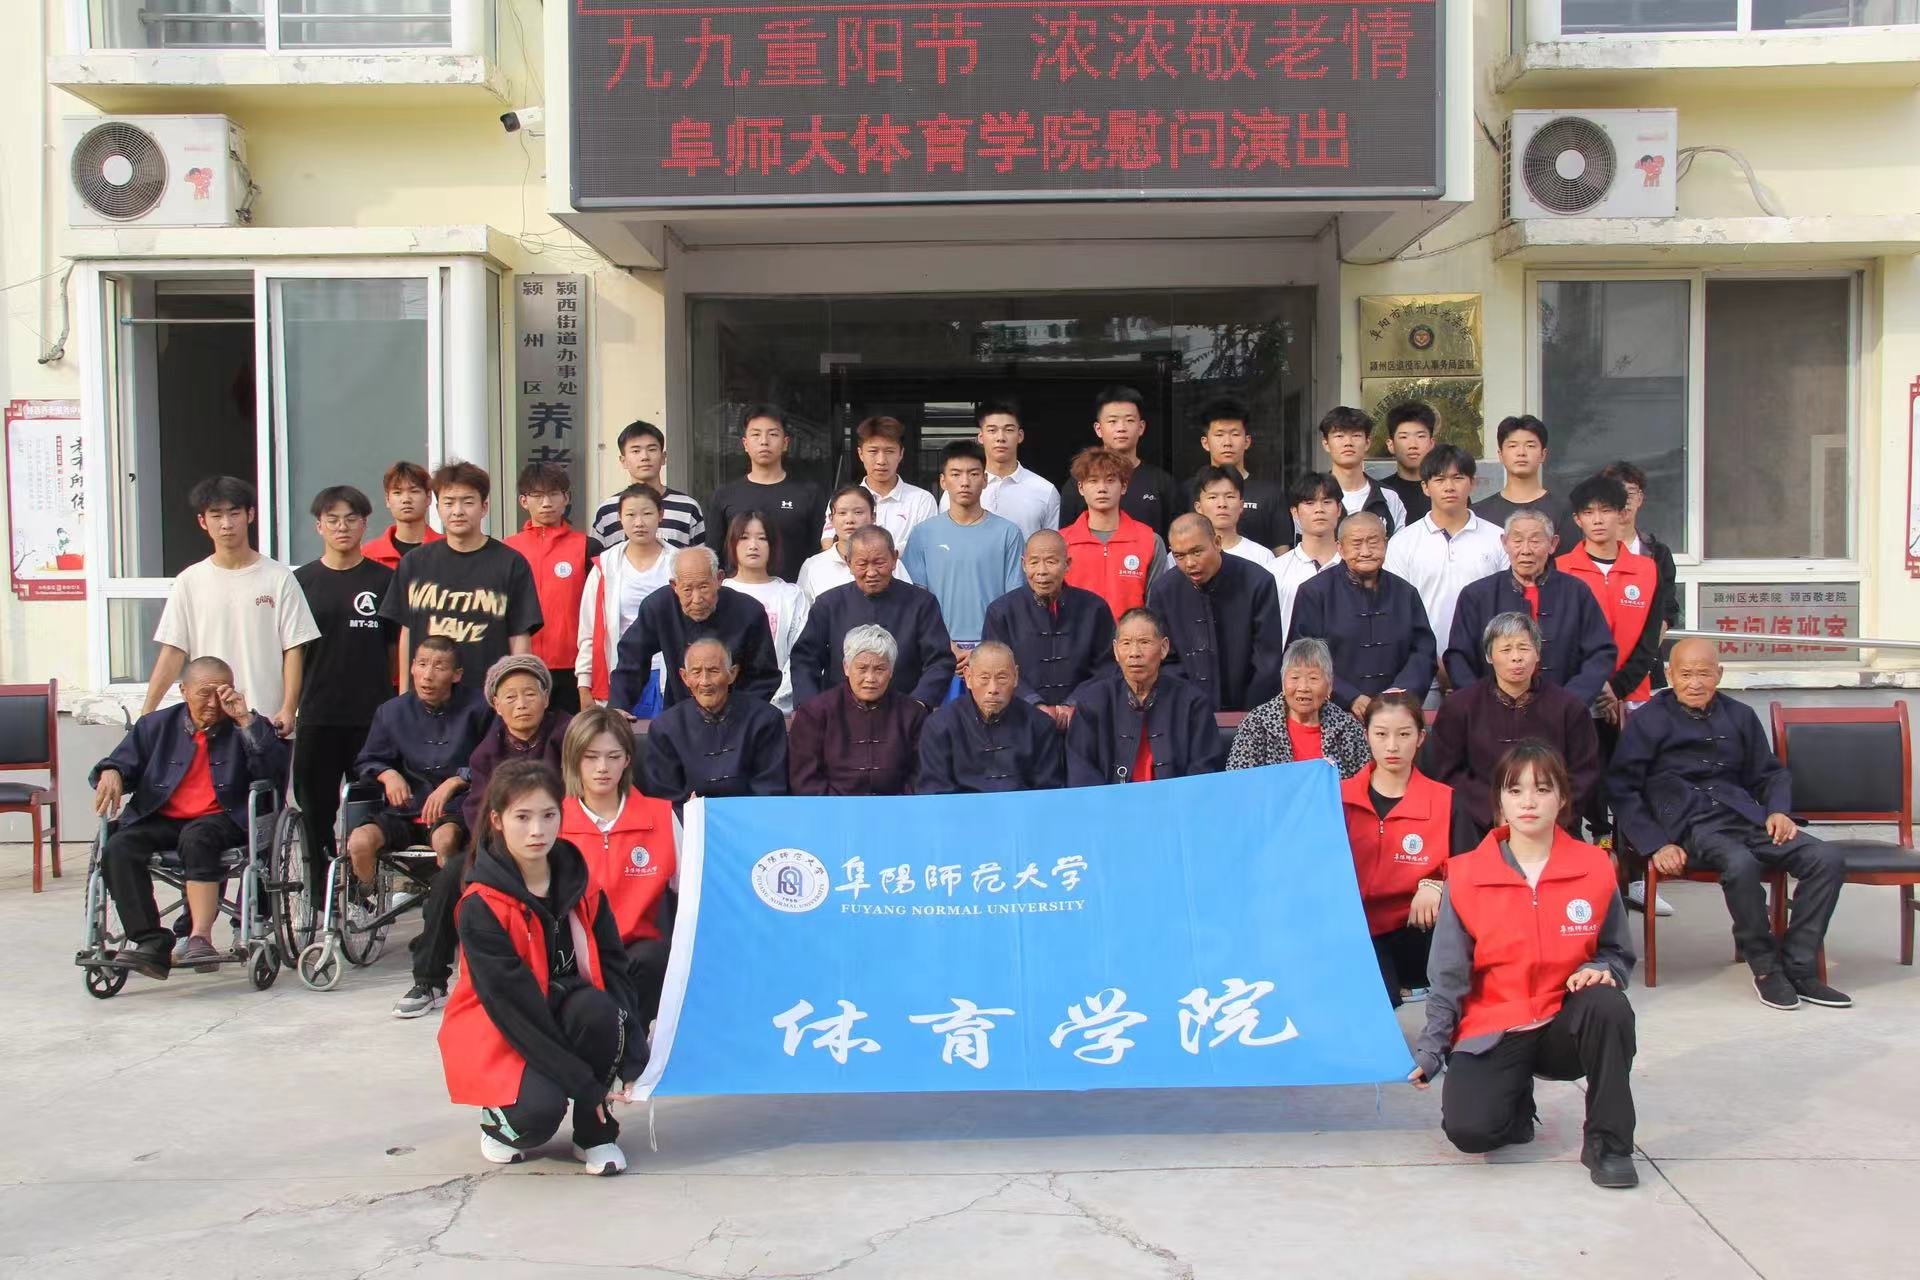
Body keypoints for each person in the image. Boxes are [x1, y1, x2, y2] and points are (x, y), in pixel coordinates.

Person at [1410, 743, 1639, 1191]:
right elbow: (1448, 976)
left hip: (1565, 1022)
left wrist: (1604, 969)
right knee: (1470, 1131)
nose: (1528, 802)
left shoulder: (1595, 866)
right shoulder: (1466, 874)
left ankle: (1609, 1145)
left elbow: (1617, 951)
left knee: (1608, 1006)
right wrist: (1431, 1049)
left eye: (1542, 789)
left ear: (1562, 798)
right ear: (1500, 801)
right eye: (1515, 791)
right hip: (1497, 1025)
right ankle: (1516, 1103)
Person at [1606, 637, 1852, 1011]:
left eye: (1704, 673)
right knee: (1740, 863)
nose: (1694, 683)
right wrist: (1655, 844)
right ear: (1669, 674)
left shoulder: (1739, 715)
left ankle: (1800, 967)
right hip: (1690, 824)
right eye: (1685, 674)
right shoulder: (1648, 721)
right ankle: (1766, 969)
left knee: (1826, 858)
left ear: (1719, 674)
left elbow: (1770, 774)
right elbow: (1622, 788)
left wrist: (1778, 811)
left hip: (1746, 817)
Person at [437, 760, 647, 1176]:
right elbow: (515, 1011)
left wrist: (634, 1055)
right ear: (496, 820)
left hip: (566, 1010)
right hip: (505, 1027)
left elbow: (613, 969)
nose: (537, 830)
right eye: (522, 817)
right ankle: (499, 1122)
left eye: (548, 815)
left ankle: (594, 1134)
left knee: (598, 1010)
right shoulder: (481, 905)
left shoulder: (581, 884)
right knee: (539, 1114)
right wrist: (584, 1085)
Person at [90, 657, 290, 979]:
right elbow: (121, 762)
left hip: (223, 817)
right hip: (163, 816)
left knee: (197, 837)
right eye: (204, 693)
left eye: (221, 693)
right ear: (184, 691)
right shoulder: (155, 726)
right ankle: (151, 941)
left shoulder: (246, 724)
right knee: (119, 846)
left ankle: (200, 937)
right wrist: (110, 771)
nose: (213, 703)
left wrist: (245, 721)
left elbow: (274, 772)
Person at [403, 655, 574, 1021]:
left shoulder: (568, 735)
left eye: (530, 694)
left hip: (559, 843)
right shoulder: (487, 752)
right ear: (496, 705)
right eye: (510, 697)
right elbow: (479, 811)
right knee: (450, 878)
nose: (521, 704)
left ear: (546, 697)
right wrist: (503, 849)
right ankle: (429, 980)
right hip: (501, 848)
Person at [145, 475, 319, 736]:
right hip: (208, 720)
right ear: (203, 521)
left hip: (265, 720)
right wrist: (146, 714)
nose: (226, 524)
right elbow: (173, 651)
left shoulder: (279, 577)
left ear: (250, 515)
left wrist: (288, 708)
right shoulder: (189, 581)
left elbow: (293, 648)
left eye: (234, 513)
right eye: (216, 515)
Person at [345, 637, 491, 944]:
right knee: (359, 842)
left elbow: (491, 760)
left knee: (445, 840)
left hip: (453, 810)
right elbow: (368, 759)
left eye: (439, 667)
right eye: (422, 664)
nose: (428, 675)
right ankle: (366, 899)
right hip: (403, 808)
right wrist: (388, 774)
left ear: (457, 674)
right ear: (411, 667)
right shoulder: (391, 711)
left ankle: (440, 919)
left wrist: (457, 780)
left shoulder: (480, 708)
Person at [1342, 691, 1479, 1006]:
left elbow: (1472, 869)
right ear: (1366, 735)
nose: (1392, 746)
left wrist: (1438, 884)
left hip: (1419, 929)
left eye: (1404, 735)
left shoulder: (1446, 801)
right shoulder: (1338, 798)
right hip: (1355, 929)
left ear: (1420, 738)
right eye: (1381, 734)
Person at [292, 485, 395, 895]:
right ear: (319, 526)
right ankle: (320, 894)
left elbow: (395, 650)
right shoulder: (301, 582)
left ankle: (362, 889)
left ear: (365, 524)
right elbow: (291, 653)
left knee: (367, 809)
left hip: (371, 717)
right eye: (333, 520)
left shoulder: (384, 579)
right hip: (317, 713)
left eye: (351, 519)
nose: (342, 527)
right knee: (315, 810)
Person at [1556, 474, 1664, 863]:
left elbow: (1650, 639)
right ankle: (1595, 857)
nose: (1598, 520)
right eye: (1589, 513)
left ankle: (1635, 870)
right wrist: (1593, 687)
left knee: (1632, 781)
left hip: (1631, 695)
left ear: (1622, 514)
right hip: (1580, 696)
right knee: (1586, 782)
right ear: (1577, 520)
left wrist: (1615, 688)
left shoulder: (1647, 569)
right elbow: (1561, 639)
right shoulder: (1561, 569)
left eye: (1606, 511)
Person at [1426, 612, 1602, 840]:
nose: (1516, 657)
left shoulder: (1569, 707)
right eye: (1506, 649)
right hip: (1478, 826)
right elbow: (1447, 772)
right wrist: (1495, 810)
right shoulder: (1460, 707)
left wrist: (1544, 813)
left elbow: (1584, 773)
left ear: (1537, 653)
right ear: (1489, 656)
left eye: (1524, 648)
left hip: (1552, 825)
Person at [380, 461, 542, 695]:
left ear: (484, 507)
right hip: (427, 698)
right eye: (448, 502)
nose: (457, 511)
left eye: (467, 502)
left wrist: (516, 693)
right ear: (437, 508)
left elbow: (519, 635)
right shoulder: (414, 563)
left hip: (488, 696)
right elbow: (407, 631)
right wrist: (406, 696)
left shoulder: (510, 563)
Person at [559, 709, 676, 1029]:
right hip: (574, 955)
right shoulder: (553, 822)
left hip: (639, 955)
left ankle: (634, 1042)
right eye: (590, 757)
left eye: (613, 756)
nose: (602, 767)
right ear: (573, 759)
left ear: (627, 760)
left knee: (655, 957)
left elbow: (693, 893)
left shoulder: (661, 816)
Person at [1445, 510, 1615, 706]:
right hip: (1492, 710)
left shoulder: (1576, 592)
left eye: (1535, 541)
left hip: (1565, 710)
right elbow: (1458, 657)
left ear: (1553, 544)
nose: (1525, 550)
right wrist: (1483, 704)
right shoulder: (1477, 595)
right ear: (1504, 543)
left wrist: (1570, 702)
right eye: (1517, 541)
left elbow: (1600, 653)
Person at [900, 440, 1026, 681]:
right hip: (937, 650)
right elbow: (916, 600)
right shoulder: (923, 533)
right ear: (943, 481)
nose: (965, 482)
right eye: (956, 474)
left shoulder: (1008, 533)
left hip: (994, 651)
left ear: (985, 479)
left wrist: (986, 647)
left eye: (973, 474)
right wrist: (945, 643)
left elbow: (1014, 600)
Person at [790, 527, 954, 707]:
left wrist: (919, 703)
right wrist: (810, 708)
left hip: (905, 711)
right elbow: (805, 659)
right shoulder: (829, 604)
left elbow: (939, 661)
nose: (871, 572)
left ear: (894, 559)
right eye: (862, 564)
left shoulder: (922, 603)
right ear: (849, 563)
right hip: (839, 712)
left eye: (879, 563)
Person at [1287, 512, 1436, 710]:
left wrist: (1399, 694)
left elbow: (1423, 653)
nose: (1365, 552)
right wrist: (1349, 697)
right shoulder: (1315, 592)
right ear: (1340, 548)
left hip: (1397, 710)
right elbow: (1303, 657)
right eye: (1356, 544)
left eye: (1373, 542)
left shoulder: (1405, 593)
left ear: (1386, 544)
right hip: (1332, 710)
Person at [609, 546, 780, 713]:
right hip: (679, 713)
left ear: (719, 579)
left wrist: (739, 716)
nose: (697, 599)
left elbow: (763, 676)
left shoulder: (749, 612)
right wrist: (619, 707)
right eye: (687, 590)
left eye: (704, 587)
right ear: (675, 586)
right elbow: (632, 659)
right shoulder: (659, 607)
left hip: (737, 713)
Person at [1065, 608, 1223, 785]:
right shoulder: (1093, 703)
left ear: (1164, 648)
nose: (1135, 653)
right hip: (1111, 802)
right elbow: (1082, 773)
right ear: (1115, 651)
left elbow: (1204, 771)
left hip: (1177, 801)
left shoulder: (1193, 704)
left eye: (1144, 642)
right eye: (1126, 643)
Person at [1383, 444, 1509, 662]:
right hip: (1421, 664)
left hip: (1485, 664)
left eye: (1458, 478)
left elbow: (1507, 606)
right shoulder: (1402, 543)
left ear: (1472, 483)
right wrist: (1427, 659)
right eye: (1439, 479)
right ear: (1425, 487)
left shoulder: (1499, 539)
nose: (1449, 487)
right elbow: (1396, 611)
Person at [1150, 513, 1285, 714]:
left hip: (1250, 710)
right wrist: (1190, 708)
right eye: (1179, 556)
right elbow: (1165, 660)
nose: (1189, 563)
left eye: (1197, 552)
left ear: (1217, 543)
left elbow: (1267, 661)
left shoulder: (1257, 582)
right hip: (1186, 711)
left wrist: (1251, 716)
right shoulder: (1164, 590)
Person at [980, 529, 1115, 727]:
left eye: (1051, 562)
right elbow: (994, 669)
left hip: (1082, 720)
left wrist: (1074, 704)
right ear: (1024, 564)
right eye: (1034, 562)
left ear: (1067, 564)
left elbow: (1107, 667)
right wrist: (1034, 704)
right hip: (1019, 721)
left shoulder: (1094, 608)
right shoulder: (1001, 611)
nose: (1042, 571)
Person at [787, 624, 930, 796]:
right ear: (846, 667)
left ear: (891, 671)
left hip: (899, 808)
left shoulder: (913, 714)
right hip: (831, 809)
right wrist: (840, 807)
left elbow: (922, 775)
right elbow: (805, 779)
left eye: (880, 669)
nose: (870, 678)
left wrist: (896, 805)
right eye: (862, 668)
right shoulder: (815, 713)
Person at [645, 638, 790, 804]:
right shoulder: (665, 728)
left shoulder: (765, 720)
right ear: (685, 677)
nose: (705, 681)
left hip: (750, 817)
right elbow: (665, 798)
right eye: (696, 672)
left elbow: (770, 791)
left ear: (732, 674)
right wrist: (692, 814)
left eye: (713, 671)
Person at [916, 641, 1067, 793]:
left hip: (1024, 807)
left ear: (1015, 676)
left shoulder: (1040, 725)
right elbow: (936, 793)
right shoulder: (940, 726)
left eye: (1002, 678)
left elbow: (1048, 793)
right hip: (961, 808)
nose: (993, 689)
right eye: (984, 678)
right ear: (968, 677)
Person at [576, 484, 673, 713]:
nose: (639, 522)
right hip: (620, 672)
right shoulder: (605, 566)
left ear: (660, 515)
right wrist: (584, 684)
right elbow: (588, 631)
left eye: (647, 513)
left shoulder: (678, 563)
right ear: (620, 518)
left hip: (668, 673)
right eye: (630, 515)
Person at [505, 462, 591, 714]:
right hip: (521, 664)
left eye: (554, 494)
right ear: (523, 501)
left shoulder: (588, 547)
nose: (546, 503)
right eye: (537, 495)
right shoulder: (507, 549)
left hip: (573, 667)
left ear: (566, 498)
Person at [706, 404, 825, 581]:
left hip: (795, 591)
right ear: (745, 444)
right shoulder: (724, 495)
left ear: (785, 443)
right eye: (756, 434)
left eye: (773, 434)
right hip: (738, 593)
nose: (764, 441)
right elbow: (714, 555)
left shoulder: (809, 493)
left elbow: (819, 552)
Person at [1224, 638, 1370, 777]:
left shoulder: (1347, 728)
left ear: (1330, 685)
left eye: (1313, 678)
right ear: (1283, 683)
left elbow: (1364, 783)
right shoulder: (1256, 724)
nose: (1303, 687)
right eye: (1295, 678)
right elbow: (1239, 782)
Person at [1598, 460, 1682, 691]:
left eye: (1630, 492)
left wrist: (1639, 661)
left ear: (1640, 499)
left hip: (1645, 672)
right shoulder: (1584, 554)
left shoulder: (1657, 554)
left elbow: (1667, 610)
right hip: (1596, 672)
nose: (1623, 499)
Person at [1057, 386, 1179, 536]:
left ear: (1141, 427)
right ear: (1098, 429)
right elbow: (1066, 538)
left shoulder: (1162, 483)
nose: (1121, 428)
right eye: (1112, 421)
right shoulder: (1080, 482)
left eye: (1129, 420)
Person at [1061, 446, 1165, 621]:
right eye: (1093, 481)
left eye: (1110, 480)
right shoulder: (1062, 542)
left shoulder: (1150, 541)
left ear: (1123, 486)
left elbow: (1156, 606)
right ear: (1081, 488)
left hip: (1133, 637)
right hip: (1077, 636)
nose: (1102, 488)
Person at [722, 513, 810, 714]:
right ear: (732, 543)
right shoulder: (719, 593)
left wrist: (775, 699)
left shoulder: (791, 596)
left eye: (762, 538)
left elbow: (801, 654)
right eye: (744, 537)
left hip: (779, 708)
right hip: (725, 707)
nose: (753, 545)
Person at [1182, 397, 1288, 551]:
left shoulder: (1270, 494)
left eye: (1235, 434)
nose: (1227, 442)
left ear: (1247, 441)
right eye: (1219, 435)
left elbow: (1281, 553)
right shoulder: (1188, 490)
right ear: (1205, 443)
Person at [588, 420, 704, 556]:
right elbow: (598, 560)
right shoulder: (607, 510)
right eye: (636, 451)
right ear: (623, 461)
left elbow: (699, 560)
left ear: (663, 457)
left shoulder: (688, 507)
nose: (644, 457)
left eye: (652, 449)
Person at [820, 414, 937, 549]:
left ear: (901, 454)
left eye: (889, 451)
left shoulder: (922, 500)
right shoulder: (842, 500)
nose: (881, 461)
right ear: (860, 454)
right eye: (873, 451)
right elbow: (828, 542)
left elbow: (925, 547)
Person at [797, 484, 917, 601]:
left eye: (858, 512)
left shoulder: (890, 563)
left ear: (873, 517)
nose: (849, 520)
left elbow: (908, 603)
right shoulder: (813, 566)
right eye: (842, 513)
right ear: (831, 519)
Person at [965, 398, 1060, 538]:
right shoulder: (959, 489)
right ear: (981, 437)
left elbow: (1053, 546)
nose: (1000, 438)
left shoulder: (1045, 491)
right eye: (992, 430)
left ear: (1020, 436)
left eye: (1009, 430)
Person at [1471, 415, 1576, 539]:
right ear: (1500, 455)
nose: (1521, 453)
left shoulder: (1563, 509)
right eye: (1513, 446)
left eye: (1530, 446)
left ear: (1543, 454)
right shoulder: (1479, 513)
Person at [1271, 471, 1342, 637]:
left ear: (1339, 509)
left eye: (1327, 502)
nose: (1319, 509)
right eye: (1310, 503)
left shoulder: (1354, 567)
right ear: (1294, 512)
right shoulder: (1275, 571)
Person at [1316, 406, 1405, 535]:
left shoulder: (1388, 497)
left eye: (1356, 435)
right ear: (1326, 444)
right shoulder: (1312, 497)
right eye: (1339, 436)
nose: (1348, 442)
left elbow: (1399, 544)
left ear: (1367, 443)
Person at [1190, 465, 1276, 570]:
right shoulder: (1184, 555)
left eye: (1230, 496)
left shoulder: (1262, 556)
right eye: (1213, 497)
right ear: (1198, 507)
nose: (1222, 504)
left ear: (1241, 505)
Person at [362, 460, 443, 569]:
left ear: (428, 497)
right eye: (397, 493)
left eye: (414, 491)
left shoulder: (448, 548)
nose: (406, 499)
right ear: (387, 499)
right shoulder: (367, 555)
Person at [1379, 402, 1437, 525]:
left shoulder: (1446, 490)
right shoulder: (1379, 491)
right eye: (1404, 437)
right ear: (1391, 445)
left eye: (1420, 436)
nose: (1413, 445)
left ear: (1432, 443)